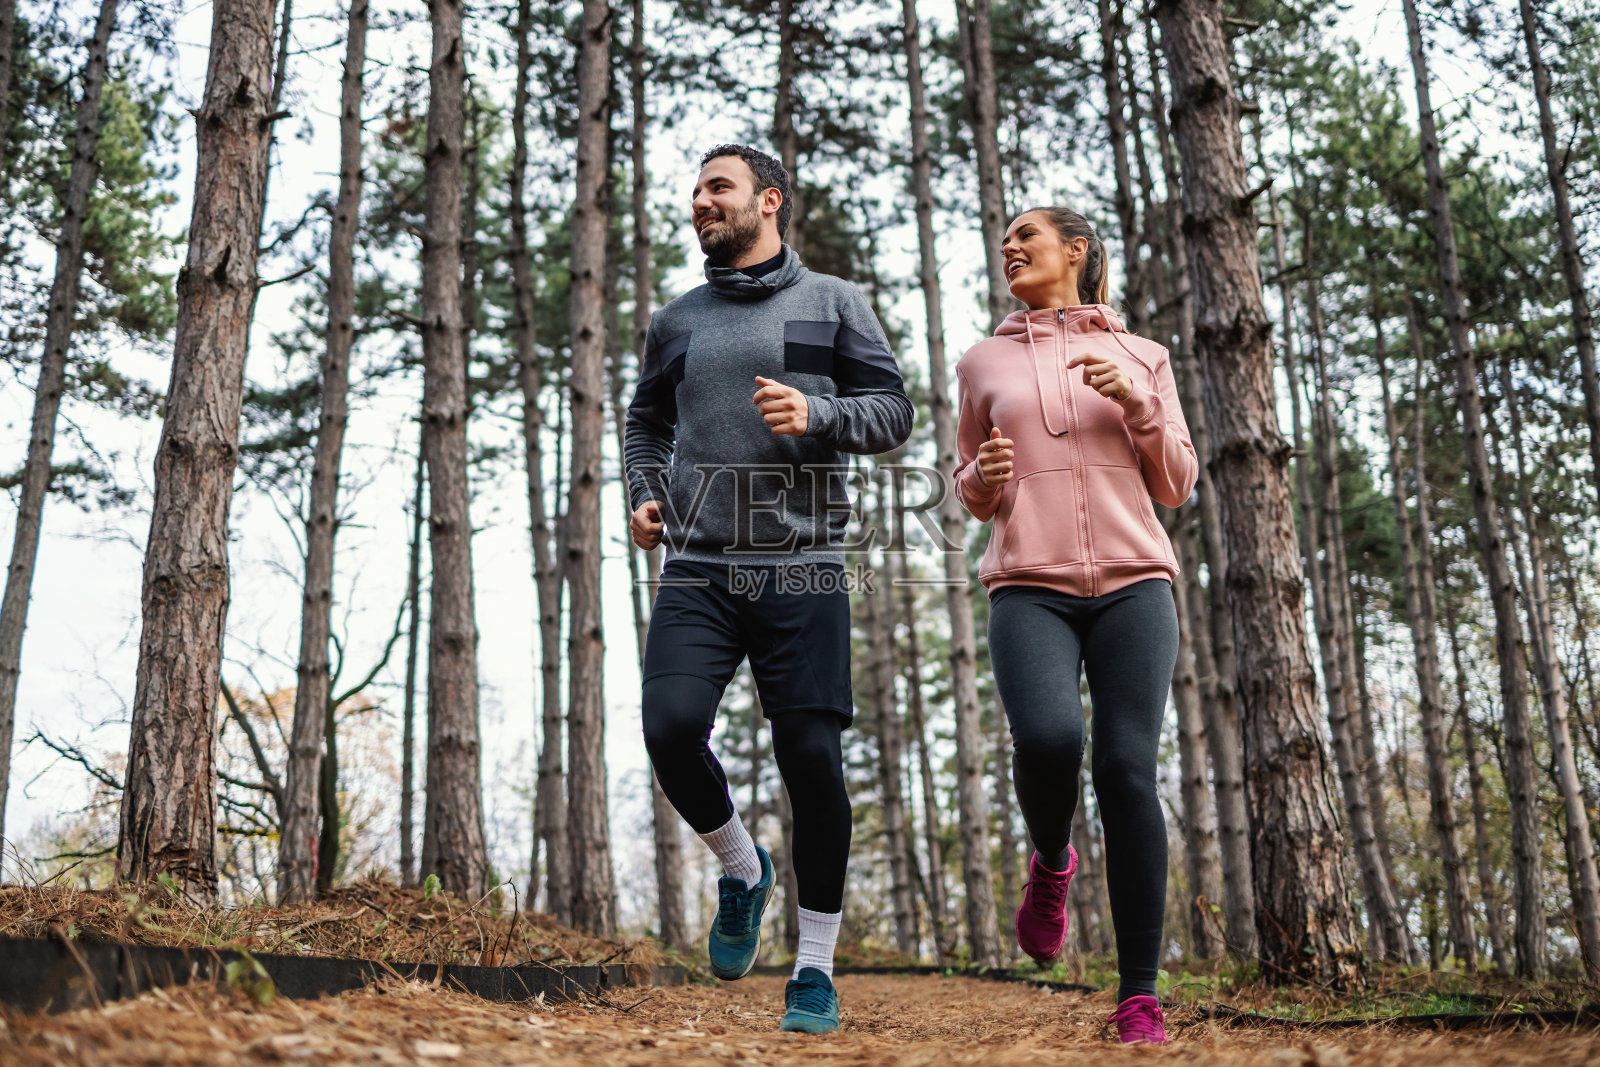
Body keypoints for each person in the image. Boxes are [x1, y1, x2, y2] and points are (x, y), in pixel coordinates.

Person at [624, 144, 913, 1034]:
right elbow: (646, 423)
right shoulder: (677, 321)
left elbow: (892, 410)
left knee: (812, 766)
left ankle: (814, 971)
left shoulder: (833, 301)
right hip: (702, 562)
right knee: (670, 727)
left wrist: (818, 411)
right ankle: (744, 868)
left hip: (805, 561)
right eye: (697, 190)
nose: (700, 201)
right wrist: (643, 490)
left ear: (769, 201)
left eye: (719, 187)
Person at [953, 207, 1198, 1045]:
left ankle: (1138, 995)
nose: (1012, 248)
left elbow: (1174, 483)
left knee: (1128, 769)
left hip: (1135, 584)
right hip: (1029, 585)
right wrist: (982, 480)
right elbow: (968, 486)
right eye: (1005, 242)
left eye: (1028, 235)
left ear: (1076, 250)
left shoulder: (1144, 355)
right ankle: (1052, 862)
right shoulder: (983, 361)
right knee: (1051, 739)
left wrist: (1138, 403)